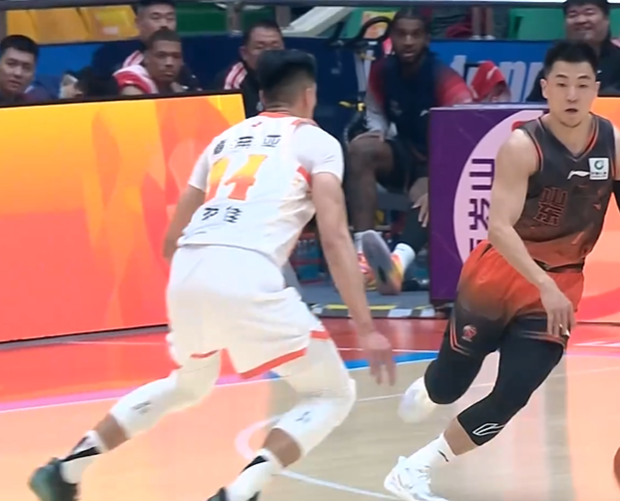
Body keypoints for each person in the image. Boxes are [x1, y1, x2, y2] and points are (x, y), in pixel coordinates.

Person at [28, 49, 396, 501]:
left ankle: (65, 470)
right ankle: (239, 493)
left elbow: (171, 239)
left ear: (262, 95)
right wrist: (367, 328)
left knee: (188, 383)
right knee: (332, 394)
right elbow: (335, 238)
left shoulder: (224, 140)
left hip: (188, 268)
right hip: (246, 272)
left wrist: (209, 283)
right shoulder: (317, 143)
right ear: (309, 95)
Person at [384, 41, 620, 501]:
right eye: (562, 84)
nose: (572, 94)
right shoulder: (522, 146)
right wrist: (543, 283)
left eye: (582, 84)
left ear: (595, 89)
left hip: (562, 283)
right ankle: (431, 388)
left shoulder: (615, 145)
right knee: (449, 386)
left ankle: (415, 468)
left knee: (513, 393)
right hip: (500, 275)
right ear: (545, 88)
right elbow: (498, 228)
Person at [347, 8, 474, 294]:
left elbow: (466, 134)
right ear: (391, 37)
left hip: (442, 161)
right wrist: (378, 129)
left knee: (434, 197)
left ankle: (396, 265)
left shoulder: (444, 78)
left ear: (426, 39)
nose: (407, 41)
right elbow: (375, 108)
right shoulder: (382, 70)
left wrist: (441, 181)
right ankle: (363, 257)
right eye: (401, 34)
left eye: (415, 35)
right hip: (405, 155)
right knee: (360, 150)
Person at [122, 0, 199, 90]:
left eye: (170, 18)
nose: (164, 24)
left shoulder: (186, 58)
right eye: (156, 18)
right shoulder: (132, 69)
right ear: (138, 23)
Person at [216, 19, 285, 117]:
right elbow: (229, 121)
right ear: (244, 53)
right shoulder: (233, 81)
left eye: (275, 47)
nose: (268, 53)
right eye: (260, 47)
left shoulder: (293, 75)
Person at [114, 29, 185, 95]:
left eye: (176, 56)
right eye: (161, 56)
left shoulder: (177, 83)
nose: (169, 63)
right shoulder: (132, 78)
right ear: (146, 58)